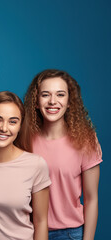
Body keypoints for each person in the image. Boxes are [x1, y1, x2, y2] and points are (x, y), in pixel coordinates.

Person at [23, 69, 102, 240]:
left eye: (60, 95)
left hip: (70, 233)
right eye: (45, 95)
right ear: (36, 101)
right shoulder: (23, 139)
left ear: (69, 102)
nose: (53, 101)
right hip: (29, 231)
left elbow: (91, 199)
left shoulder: (86, 140)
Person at [0, 91, 50, 240]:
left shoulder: (36, 165)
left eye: (12, 121)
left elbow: (41, 221)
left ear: (20, 126)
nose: (4, 128)